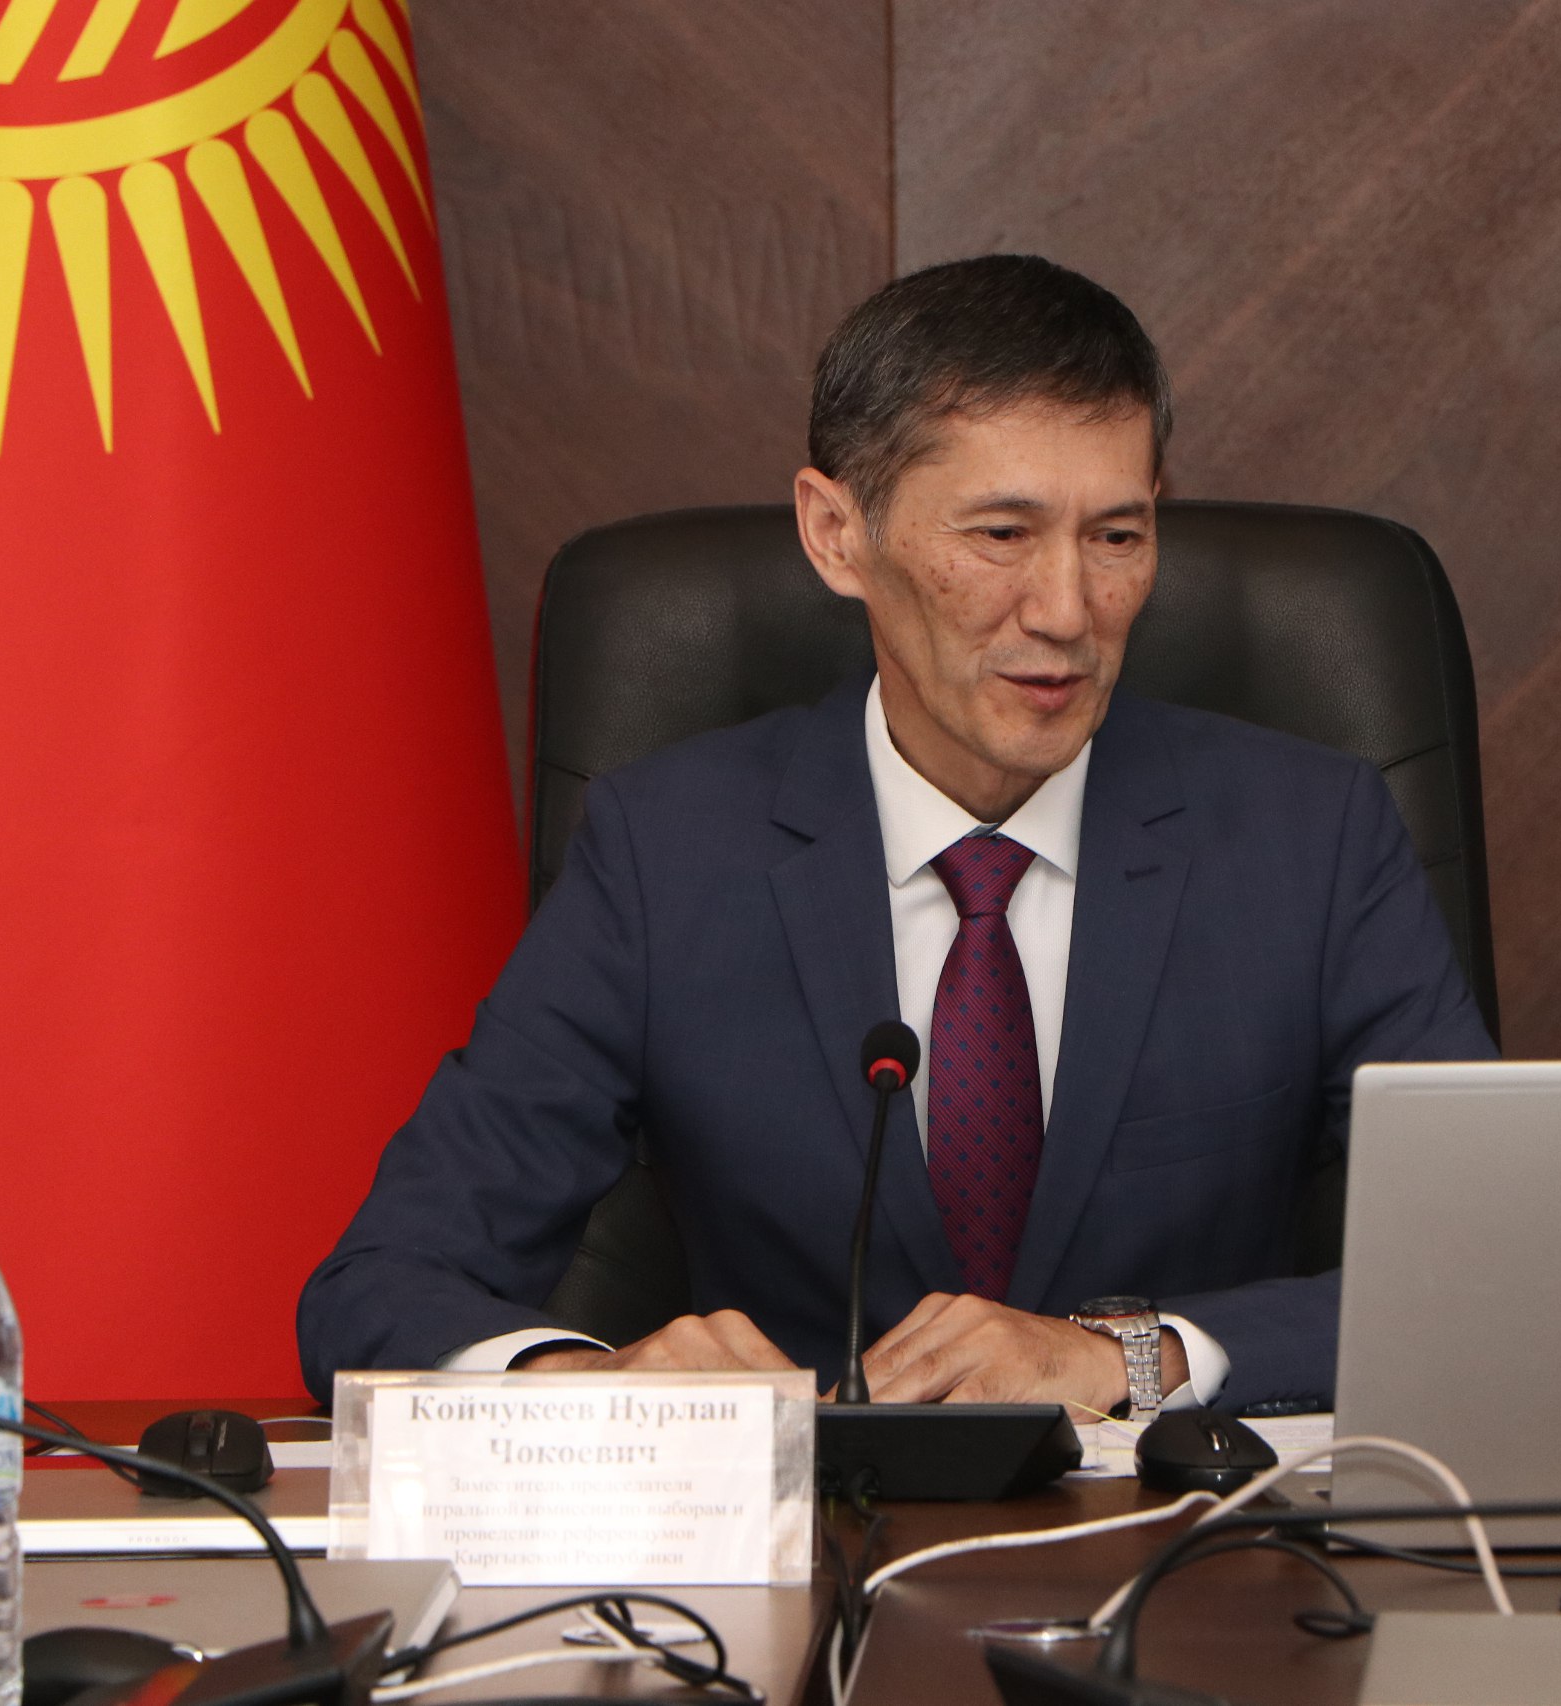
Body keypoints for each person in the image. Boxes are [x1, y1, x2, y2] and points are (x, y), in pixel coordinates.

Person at [297, 255, 1495, 1417]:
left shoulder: (1310, 838)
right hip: (809, 1535)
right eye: (1001, 535)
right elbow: (378, 1283)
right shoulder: (667, 852)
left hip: (1190, 1534)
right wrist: (587, 1389)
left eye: (1117, 537)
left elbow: (1486, 1262)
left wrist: (1136, 1355)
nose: (1066, 610)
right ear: (836, 533)